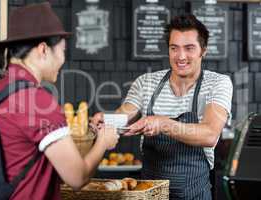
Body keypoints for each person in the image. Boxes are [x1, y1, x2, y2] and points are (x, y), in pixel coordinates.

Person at [0, 3, 119, 200]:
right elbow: (77, 178)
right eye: (63, 51)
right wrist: (103, 142)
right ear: (43, 49)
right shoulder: (38, 102)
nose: (63, 59)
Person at [91, 14, 233, 199]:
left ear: (203, 50)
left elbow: (209, 134)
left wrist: (162, 123)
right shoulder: (146, 82)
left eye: (189, 48)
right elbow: (124, 117)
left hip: (194, 195)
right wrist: (106, 120)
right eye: (174, 48)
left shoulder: (218, 83)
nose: (181, 56)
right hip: (148, 194)